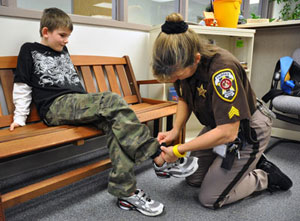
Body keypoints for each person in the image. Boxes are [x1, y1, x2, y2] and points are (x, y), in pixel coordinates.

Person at [9, 8, 199, 217]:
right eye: (62, 35)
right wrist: (19, 118)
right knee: (111, 99)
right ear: (45, 31)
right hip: (56, 106)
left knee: (115, 125)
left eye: (68, 36)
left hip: (78, 104)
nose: (66, 41)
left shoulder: (63, 51)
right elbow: (22, 86)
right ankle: (157, 155)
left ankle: (126, 192)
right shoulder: (29, 50)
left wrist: (93, 106)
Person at [151, 13, 293, 209]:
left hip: (247, 129)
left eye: (177, 74)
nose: (174, 78)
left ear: (196, 59)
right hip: (218, 125)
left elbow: (228, 132)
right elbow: (184, 97)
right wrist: (175, 130)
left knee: (210, 198)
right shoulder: (182, 62)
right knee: (193, 179)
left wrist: (178, 149)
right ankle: (241, 166)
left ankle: (265, 176)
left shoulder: (222, 70)